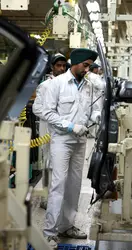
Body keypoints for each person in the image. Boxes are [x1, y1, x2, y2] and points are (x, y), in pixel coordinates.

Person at [42, 48, 102, 248]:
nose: (88, 70)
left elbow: (94, 109)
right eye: (85, 65)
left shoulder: (89, 86)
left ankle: (67, 226)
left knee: (74, 185)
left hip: (80, 141)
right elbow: (47, 112)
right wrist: (69, 126)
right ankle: (50, 232)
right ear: (75, 63)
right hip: (62, 140)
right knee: (58, 185)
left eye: (89, 66)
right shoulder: (57, 84)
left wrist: (95, 118)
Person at [32, 53, 67, 210]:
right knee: (49, 164)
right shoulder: (45, 86)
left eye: (63, 66)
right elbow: (37, 108)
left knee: (62, 165)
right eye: (58, 65)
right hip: (49, 131)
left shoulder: (68, 85)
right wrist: (54, 117)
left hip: (64, 132)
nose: (61, 68)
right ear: (52, 67)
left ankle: (58, 198)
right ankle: (46, 199)